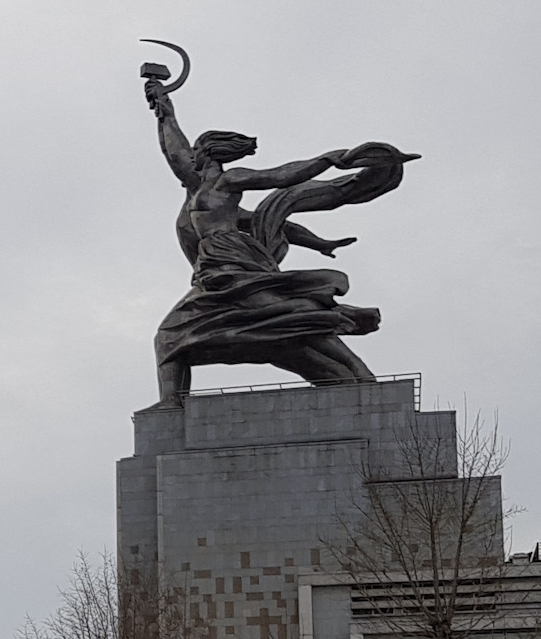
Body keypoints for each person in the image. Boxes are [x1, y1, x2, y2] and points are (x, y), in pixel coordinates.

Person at [145, 76, 416, 406]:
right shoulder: (202, 192)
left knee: (288, 317)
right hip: (212, 271)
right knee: (170, 336)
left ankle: (361, 373)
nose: (189, 157)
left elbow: (281, 176)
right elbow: (175, 151)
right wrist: (164, 110)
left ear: (204, 153)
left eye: (194, 152)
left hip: (232, 266)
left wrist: (329, 159)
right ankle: (170, 405)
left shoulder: (229, 181)